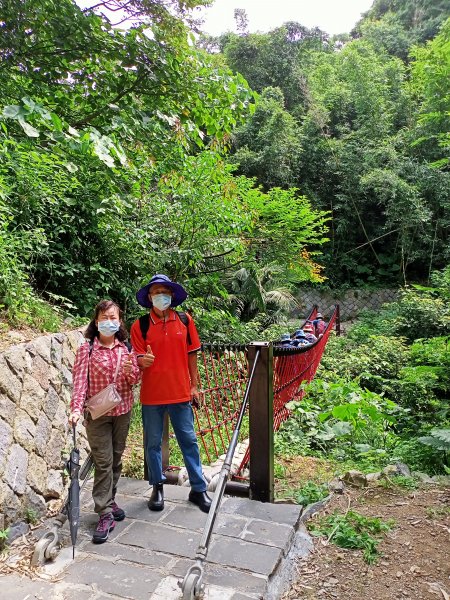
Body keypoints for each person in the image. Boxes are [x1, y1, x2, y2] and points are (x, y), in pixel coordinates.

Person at [130, 274, 212, 514]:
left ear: (172, 296)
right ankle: (157, 486)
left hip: (180, 393)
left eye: (164, 291)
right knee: (152, 444)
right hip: (152, 395)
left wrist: (195, 385)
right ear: (149, 297)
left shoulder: (185, 321)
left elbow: (192, 355)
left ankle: (198, 488)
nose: (160, 296)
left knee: (189, 441)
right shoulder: (140, 325)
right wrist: (142, 361)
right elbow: (136, 358)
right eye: (155, 292)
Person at [69, 300, 141, 544]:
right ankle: (104, 513)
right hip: (97, 415)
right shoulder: (87, 349)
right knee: (104, 462)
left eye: (113, 317)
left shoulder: (126, 348)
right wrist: (76, 410)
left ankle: (110, 500)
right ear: (96, 320)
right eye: (104, 317)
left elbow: (133, 381)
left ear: (119, 321)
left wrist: (133, 369)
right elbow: (79, 383)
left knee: (117, 459)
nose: (109, 321)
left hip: (123, 411)